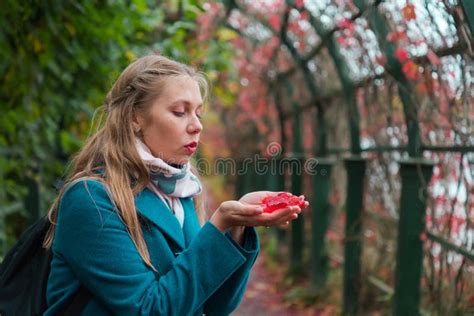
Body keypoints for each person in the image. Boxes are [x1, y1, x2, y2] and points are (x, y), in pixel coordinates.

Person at [43, 54, 307, 315]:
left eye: (198, 114)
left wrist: (235, 229)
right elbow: (149, 309)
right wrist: (219, 224)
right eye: (180, 112)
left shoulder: (180, 192)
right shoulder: (91, 199)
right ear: (135, 118)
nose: (196, 126)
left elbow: (215, 304)